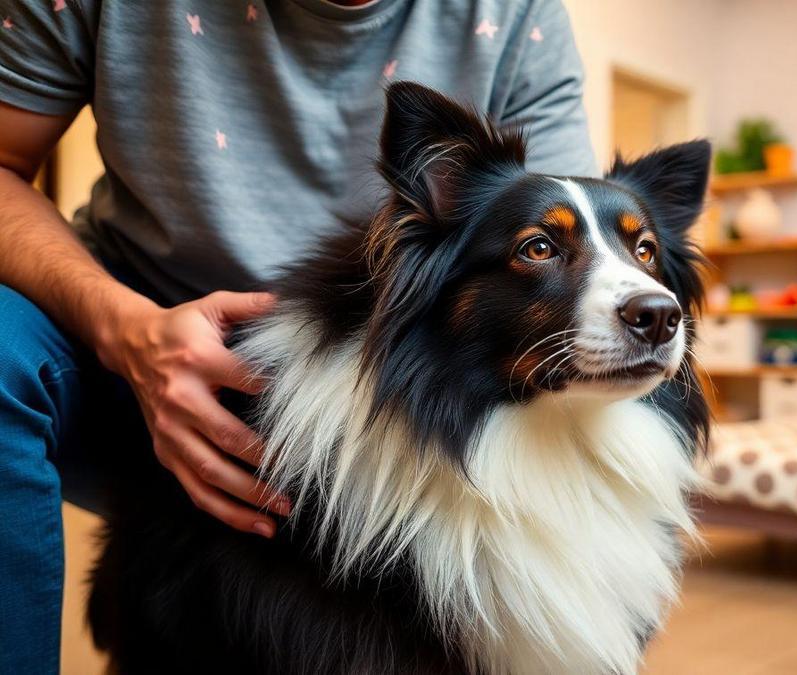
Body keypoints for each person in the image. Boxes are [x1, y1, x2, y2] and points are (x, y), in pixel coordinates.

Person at [0, 1, 595, 671]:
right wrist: (122, 327)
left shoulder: (519, 14)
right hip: (115, 344)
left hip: (364, 389)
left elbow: (573, 267)